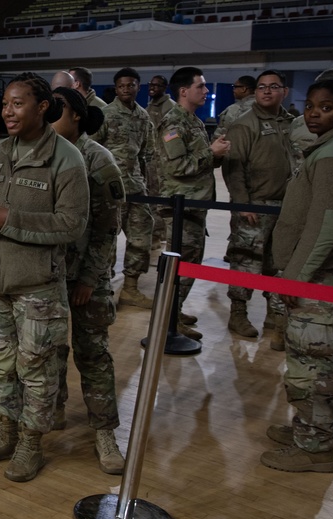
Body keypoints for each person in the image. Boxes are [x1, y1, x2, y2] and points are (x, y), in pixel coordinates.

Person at [0, 72, 89, 483]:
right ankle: (5, 433)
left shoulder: (66, 158)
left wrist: (9, 220)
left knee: (36, 369)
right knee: (0, 366)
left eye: (18, 104)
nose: (8, 111)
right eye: (5, 104)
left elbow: (72, 224)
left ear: (42, 108)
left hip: (37, 286)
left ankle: (31, 446)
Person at [263, 78, 333, 472]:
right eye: (310, 106)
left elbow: (326, 226)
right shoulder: (329, 147)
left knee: (314, 363)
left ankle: (316, 447)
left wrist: (294, 277)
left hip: (321, 277)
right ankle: (306, 428)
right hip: (315, 274)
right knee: (305, 357)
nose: (313, 113)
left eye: (325, 107)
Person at [50, 86, 126, 474]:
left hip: (85, 277)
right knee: (49, 349)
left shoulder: (98, 160)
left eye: (58, 109)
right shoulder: (42, 152)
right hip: (46, 275)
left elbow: (107, 229)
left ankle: (104, 431)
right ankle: (55, 408)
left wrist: (89, 279)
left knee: (93, 354)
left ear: (77, 115)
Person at [220, 70, 297, 345]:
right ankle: (238, 314)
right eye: (262, 87)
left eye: (273, 86)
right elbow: (234, 167)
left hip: (287, 206)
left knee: (279, 263)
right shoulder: (244, 124)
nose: (266, 91)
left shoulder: (293, 124)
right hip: (255, 205)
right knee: (245, 261)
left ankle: (275, 320)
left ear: (284, 92)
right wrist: (243, 204)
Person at [155, 66, 231, 340]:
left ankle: (174, 311)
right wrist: (210, 153)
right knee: (182, 264)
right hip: (180, 207)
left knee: (190, 262)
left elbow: (200, 163)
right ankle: (168, 319)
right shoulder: (174, 123)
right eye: (201, 86)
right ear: (184, 91)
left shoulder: (193, 121)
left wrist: (216, 154)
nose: (207, 91)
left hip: (194, 204)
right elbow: (178, 168)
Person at [91, 67, 155, 310]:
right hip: (109, 190)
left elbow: (148, 154)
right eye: (121, 86)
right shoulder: (105, 114)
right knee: (107, 241)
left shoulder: (143, 117)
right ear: (116, 89)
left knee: (140, 238)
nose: (126, 89)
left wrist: (150, 187)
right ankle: (103, 289)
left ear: (138, 86)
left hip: (136, 188)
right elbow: (91, 148)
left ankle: (130, 288)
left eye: (131, 85)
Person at [147, 75, 176, 248]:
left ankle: (158, 235)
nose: (153, 87)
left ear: (165, 87)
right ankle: (157, 233)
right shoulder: (151, 105)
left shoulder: (169, 107)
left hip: (162, 161)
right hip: (151, 160)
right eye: (151, 84)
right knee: (151, 197)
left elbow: (171, 134)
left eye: (157, 85)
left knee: (159, 199)